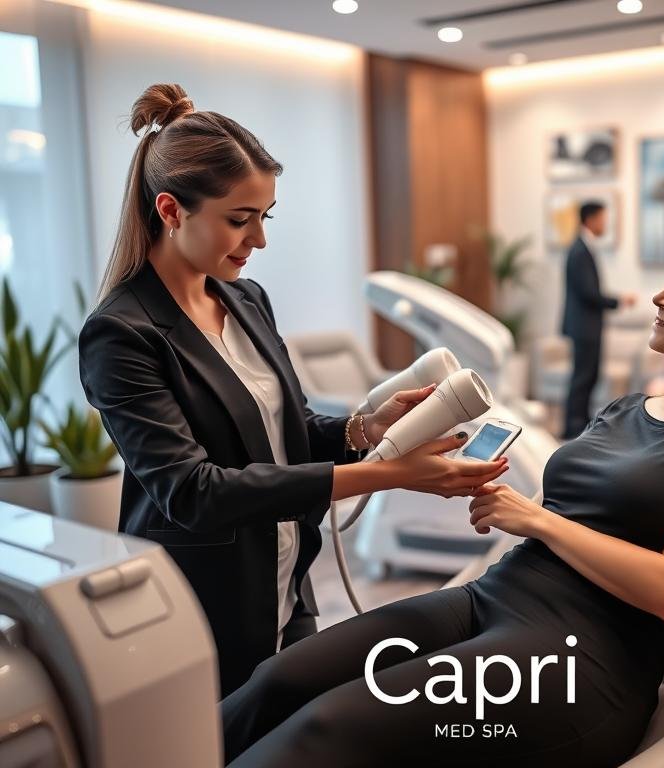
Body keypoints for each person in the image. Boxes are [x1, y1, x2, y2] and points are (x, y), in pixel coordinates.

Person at [220, 234, 664, 768]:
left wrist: (536, 519)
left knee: (332, 727)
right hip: (493, 598)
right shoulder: (625, 409)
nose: (660, 297)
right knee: (280, 679)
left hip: (580, 660)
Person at [78, 84, 507, 697]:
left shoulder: (246, 300)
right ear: (171, 211)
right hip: (202, 602)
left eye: (264, 217)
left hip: (286, 581)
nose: (259, 241)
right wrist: (388, 475)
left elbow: (290, 433)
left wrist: (368, 429)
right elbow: (192, 492)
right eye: (239, 220)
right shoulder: (121, 334)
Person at [560, 200, 635, 439]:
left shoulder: (585, 247)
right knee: (582, 378)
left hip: (588, 326)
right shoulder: (580, 249)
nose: (605, 224)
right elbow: (588, 293)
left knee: (589, 377)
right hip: (584, 327)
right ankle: (573, 428)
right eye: (603, 219)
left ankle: (580, 425)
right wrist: (619, 301)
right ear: (590, 219)